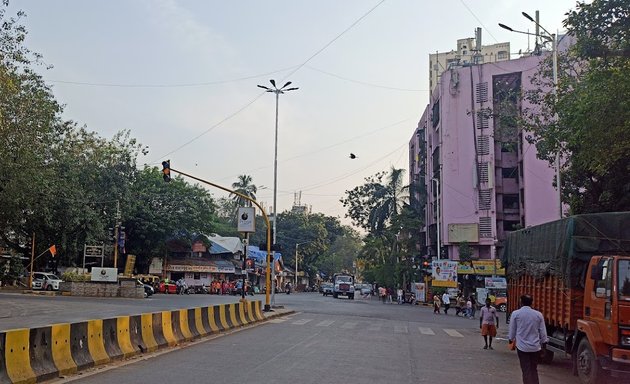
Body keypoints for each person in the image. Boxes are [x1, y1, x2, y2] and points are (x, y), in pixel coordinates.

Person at [508, 294, 549, 384]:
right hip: (535, 347)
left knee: (526, 370)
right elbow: (543, 332)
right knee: (534, 369)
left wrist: (510, 339)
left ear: (521, 302)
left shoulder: (516, 314)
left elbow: (512, 330)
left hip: (522, 347)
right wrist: (544, 347)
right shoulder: (538, 315)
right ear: (531, 303)